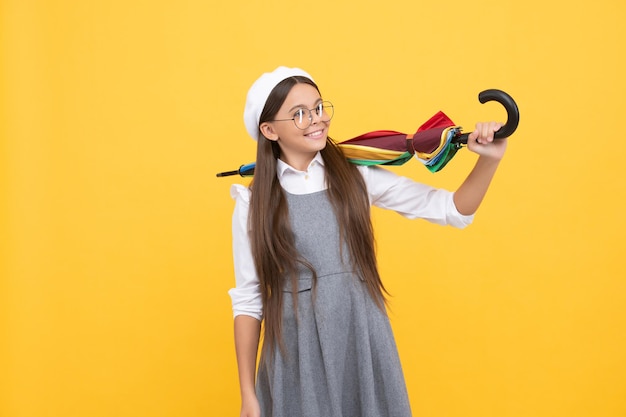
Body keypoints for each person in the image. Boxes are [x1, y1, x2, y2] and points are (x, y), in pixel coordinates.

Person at [228, 66, 507, 417]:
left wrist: (489, 161)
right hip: (294, 355)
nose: (315, 120)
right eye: (298, 114)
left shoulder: (355, 175)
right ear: (268, 130)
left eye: (318, 107)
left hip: (360, 340)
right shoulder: (252, 202)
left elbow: (452, 210)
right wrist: (248, 394)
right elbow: (249, 301)